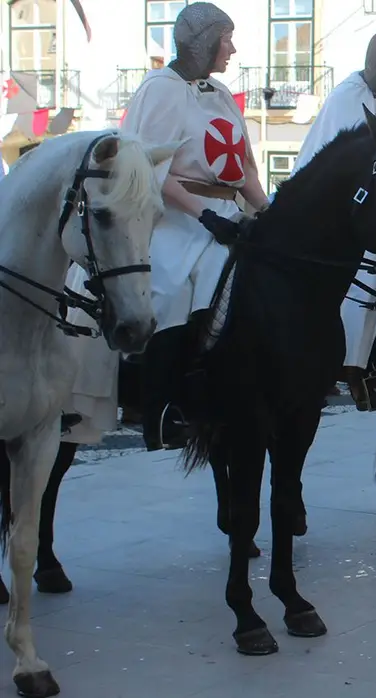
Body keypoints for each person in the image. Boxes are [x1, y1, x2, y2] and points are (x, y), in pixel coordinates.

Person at [122, 2, 269, 450]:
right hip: (174, 217)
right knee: (171, 288)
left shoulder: (220, 94)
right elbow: (149, 164)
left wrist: (267, 211)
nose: (233, 48)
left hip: (225, 214)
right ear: (203, 42)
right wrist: (201, 214)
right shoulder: (160, 89)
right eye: (226, 39)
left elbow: (242, 164)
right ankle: (163, 410)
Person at [286, 28, 376, 410]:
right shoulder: (346, 98)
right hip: (337, 207)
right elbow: (338, 159)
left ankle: (370, 363)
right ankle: (342, 367)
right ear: (371, 64)